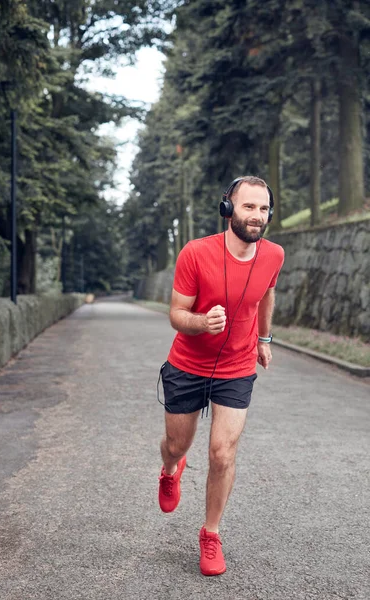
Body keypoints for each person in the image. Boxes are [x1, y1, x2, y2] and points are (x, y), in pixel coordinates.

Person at [157, 175, 285, 576]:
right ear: (228, 208)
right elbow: (176, 315)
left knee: (222, 453)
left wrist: (263, 337)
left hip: (237, 365)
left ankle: (211, 534)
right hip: (188, 364)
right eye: (249, 207)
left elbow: (266, 292)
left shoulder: (274, 255)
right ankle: (171, 469)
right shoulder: (195, 253)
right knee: (178, 445)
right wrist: (201, 322)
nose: (257, 216)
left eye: (263, 209)